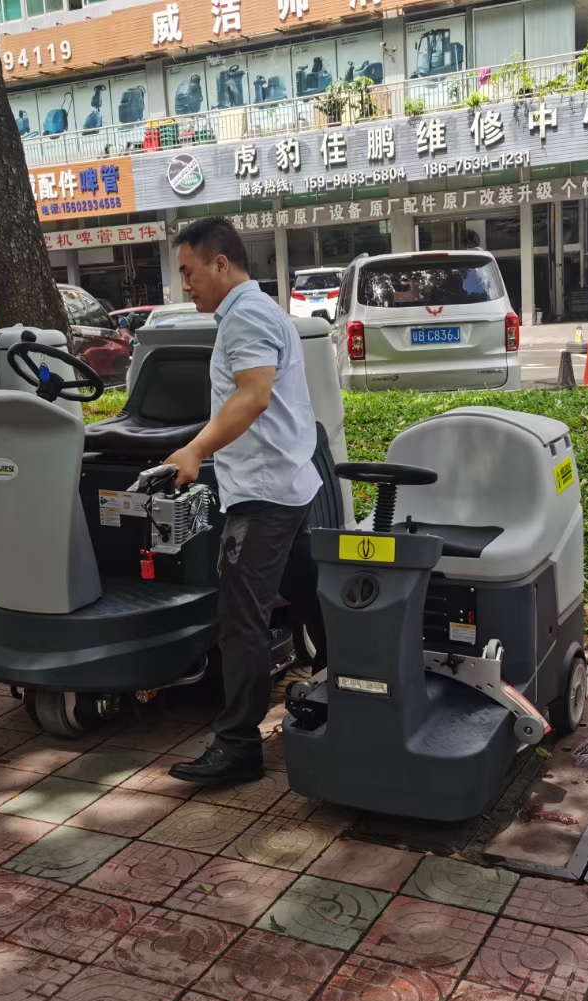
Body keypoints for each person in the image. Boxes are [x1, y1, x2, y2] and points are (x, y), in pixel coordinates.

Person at [164, 217, 321, 786]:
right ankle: (344, 696)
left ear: (220, 263)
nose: (186, 284)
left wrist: (196, 449)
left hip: (263, 495)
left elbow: (253, 396)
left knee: (240, 619)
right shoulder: (257, 310)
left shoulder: (247, 316)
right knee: (313, 598)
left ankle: (237, 746)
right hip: (289, 485)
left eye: (189, 271)